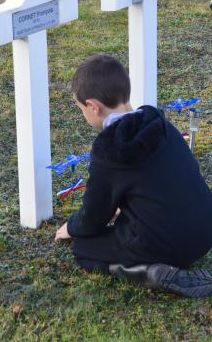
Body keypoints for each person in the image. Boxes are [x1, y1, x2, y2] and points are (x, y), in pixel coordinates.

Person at [54, 54, 212, 298]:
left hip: (167, 246)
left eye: (81, 108)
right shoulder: (159, 122)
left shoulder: (110, 151)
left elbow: (94, 217)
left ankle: (150, 272)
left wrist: (72, 228)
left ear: (93, 106)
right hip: (205, 232)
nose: (84, 115)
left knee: (84, 249)